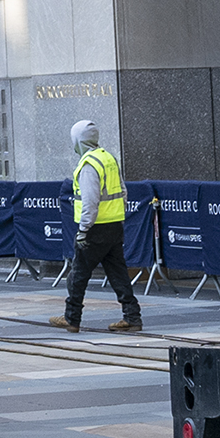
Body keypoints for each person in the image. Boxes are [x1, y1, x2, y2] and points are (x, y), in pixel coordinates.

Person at [50, 119, 140, 333]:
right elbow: (123, 192)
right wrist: (117, 216)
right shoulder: (108, 158)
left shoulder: (88, 165)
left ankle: (72, 318)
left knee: (78, 275)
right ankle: (133, 317)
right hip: (114, 226)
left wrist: (83, 229)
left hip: (94, 229)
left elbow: (90, 200)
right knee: (118, 273)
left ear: (79, 141)